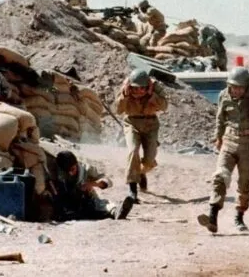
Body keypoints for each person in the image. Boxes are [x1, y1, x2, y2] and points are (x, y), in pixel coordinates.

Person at [197, 67, 249, 233]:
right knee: (220, 176)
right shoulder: (223, 95)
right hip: (229, 140)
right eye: (233, 87)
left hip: (248, 143)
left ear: (247, 87)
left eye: (240, 87)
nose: (236, 90)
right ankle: (213, 217)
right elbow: (220, 118)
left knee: (244, 183)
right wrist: (218, 137)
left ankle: (239, 217)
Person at [114, 68, 168, 202]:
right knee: (133, 151)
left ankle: (140, 172)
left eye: (141, 88)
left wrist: (152, 95)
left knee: (150, 159)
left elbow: (164, 106)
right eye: (135, 88)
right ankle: (132, 189)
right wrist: (125, 96)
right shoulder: (126, 88)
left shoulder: (155, 87)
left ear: (147, 86)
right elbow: (118, 110)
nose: (138, 91)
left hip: (151, 124)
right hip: (132, 123)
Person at [51, 150, 134, 221]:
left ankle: (116, 212)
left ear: (76, 164)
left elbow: (108, 181)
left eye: (72, 169)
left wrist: (94, 184)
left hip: (85, 201)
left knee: (102, 205)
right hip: (66, 203)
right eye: (67, 171)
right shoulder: (57, 171)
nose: (70, 173)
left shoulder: (86, 169)